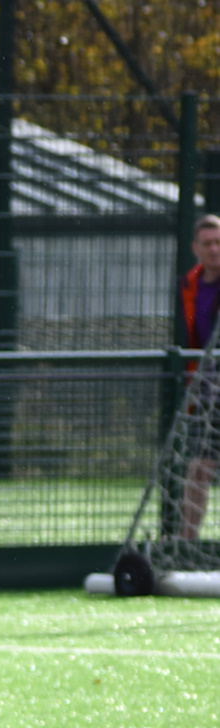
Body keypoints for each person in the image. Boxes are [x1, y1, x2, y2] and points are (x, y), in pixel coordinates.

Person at [177, 215, 220, 540]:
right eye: (207, 243)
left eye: (218, 242)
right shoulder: (188, 285)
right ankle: (187, 541)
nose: (214, 249)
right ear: (196, 248)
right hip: (208, 389)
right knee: (199, 467)